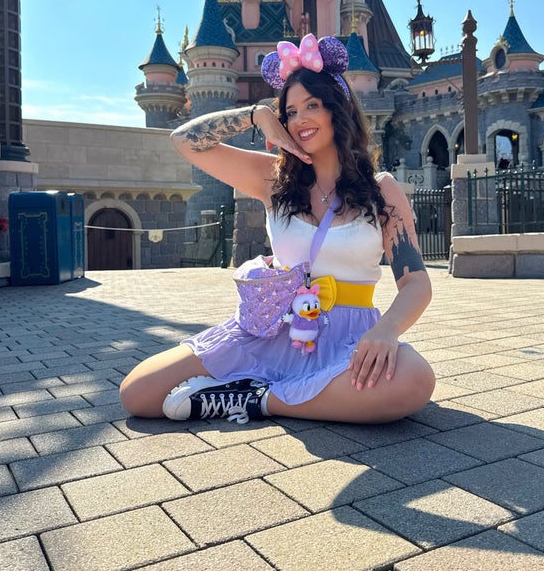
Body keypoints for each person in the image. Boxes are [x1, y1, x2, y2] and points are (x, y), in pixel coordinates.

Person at [120, 35, 435, 425]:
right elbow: (183, 140)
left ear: (338, 110)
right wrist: (256, 115)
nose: (300, 119)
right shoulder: (273, 179)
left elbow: (416, 282)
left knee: (414, 379)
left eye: (312, 105)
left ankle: (255, 399)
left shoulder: (380, 190)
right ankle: (287, 395)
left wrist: (387, 330)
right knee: (138, 393)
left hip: (348, 337)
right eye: (290, 111)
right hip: (272, 330)